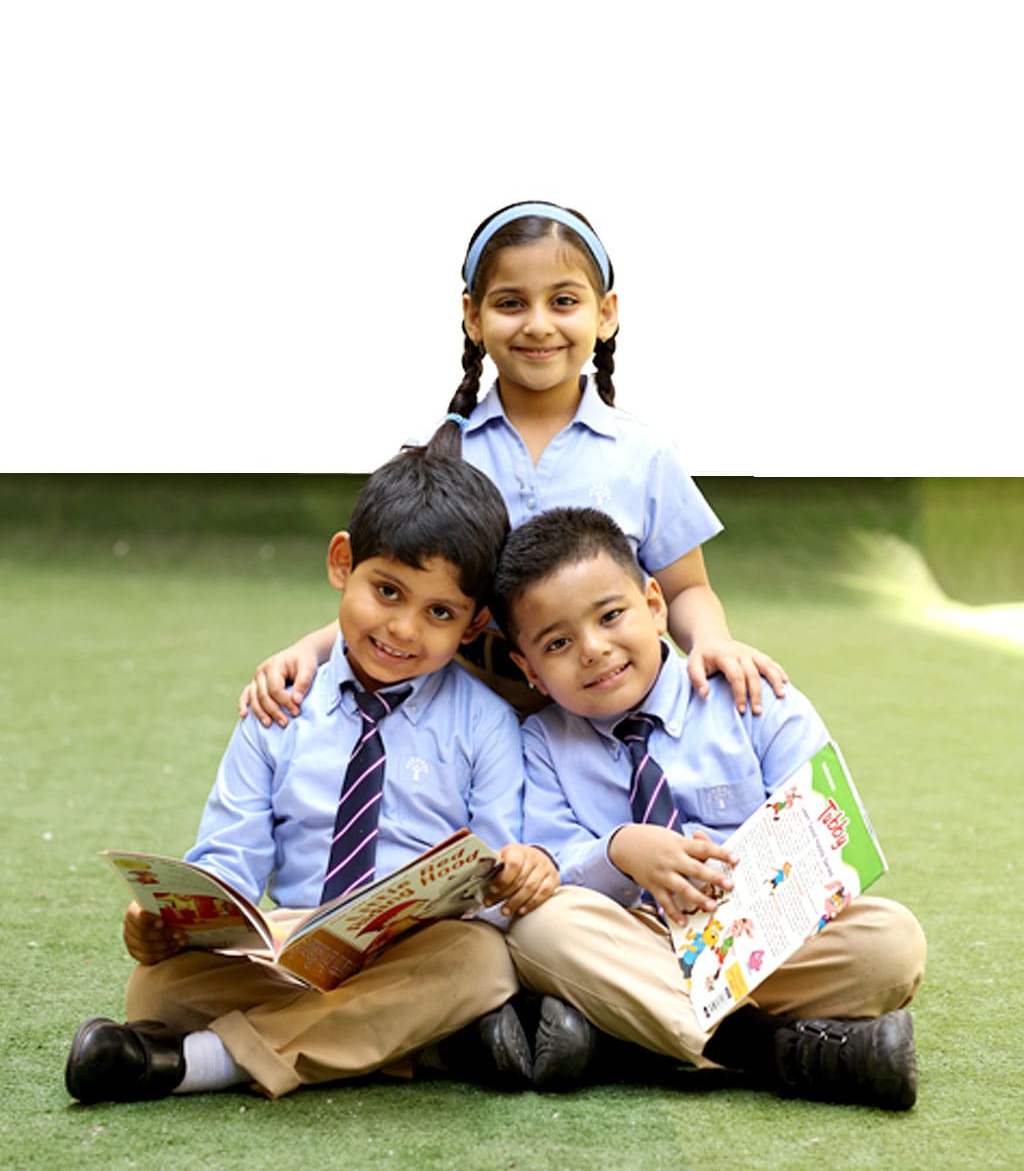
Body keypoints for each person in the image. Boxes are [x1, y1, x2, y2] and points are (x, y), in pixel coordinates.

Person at [64, 449, 564, 1105]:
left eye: (440, 613)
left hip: (417, 945)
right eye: (387, 591)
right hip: (291, 946)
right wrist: (170, 925)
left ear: (473, 623)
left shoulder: (487, 724)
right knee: (155, 989)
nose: (403, 628)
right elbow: (228, 860)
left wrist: (517, 870)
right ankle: (429, 1046)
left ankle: (197, 1063)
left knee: (481, 963)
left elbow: (494, 867)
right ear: (342, 563)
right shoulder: (280, 708)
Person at [240, 200, 788, 726]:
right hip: (460, 729)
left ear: (606, 314)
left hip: (604, 724)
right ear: (472, 317)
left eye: (564, 301)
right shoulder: (435, 451)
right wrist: (310, 650)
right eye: (510, 303)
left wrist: (712, 640)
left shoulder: (642, 454)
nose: (538, 324)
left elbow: (685, 588)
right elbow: (399, 595)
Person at [489, 506, 927, 1109]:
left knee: (892, 943)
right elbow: (550, 863)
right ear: (529, 671)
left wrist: (753, 894)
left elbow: (831, 826)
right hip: (635, 937)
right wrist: (620, 852)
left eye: (611, 616)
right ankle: (769, 1048)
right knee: (541, 930)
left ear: (654, 604)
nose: (593, 649)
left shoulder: (749, 693)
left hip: (761, 940)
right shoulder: (540, 743)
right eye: (557, 643)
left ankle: (619, 1036)